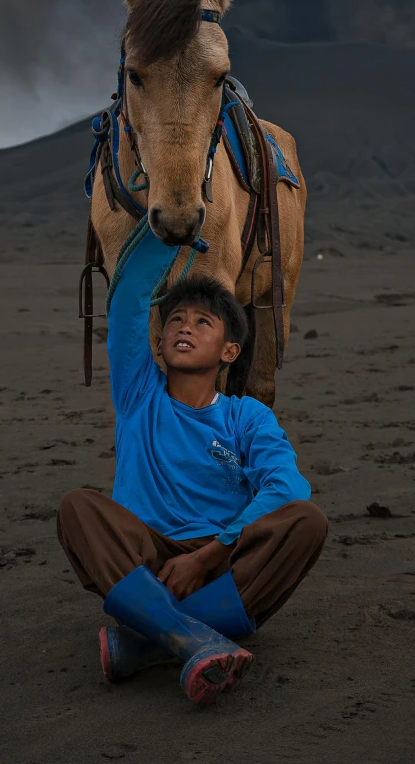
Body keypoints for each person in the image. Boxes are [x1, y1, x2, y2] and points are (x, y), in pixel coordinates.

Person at [57, 226, 328, 706]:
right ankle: (194, 638)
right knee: (78, 507)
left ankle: (148, 638)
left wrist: (210, 555)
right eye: (176, 320)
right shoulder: (139, 395)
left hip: (219, 560)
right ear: (159, 344)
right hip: (145, 560)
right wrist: (170, 224)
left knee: (306, 520)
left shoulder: (247, 416)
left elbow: (286, 485)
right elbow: (127, 303)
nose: (184, 326)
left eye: (203, 322)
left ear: (229, 351)